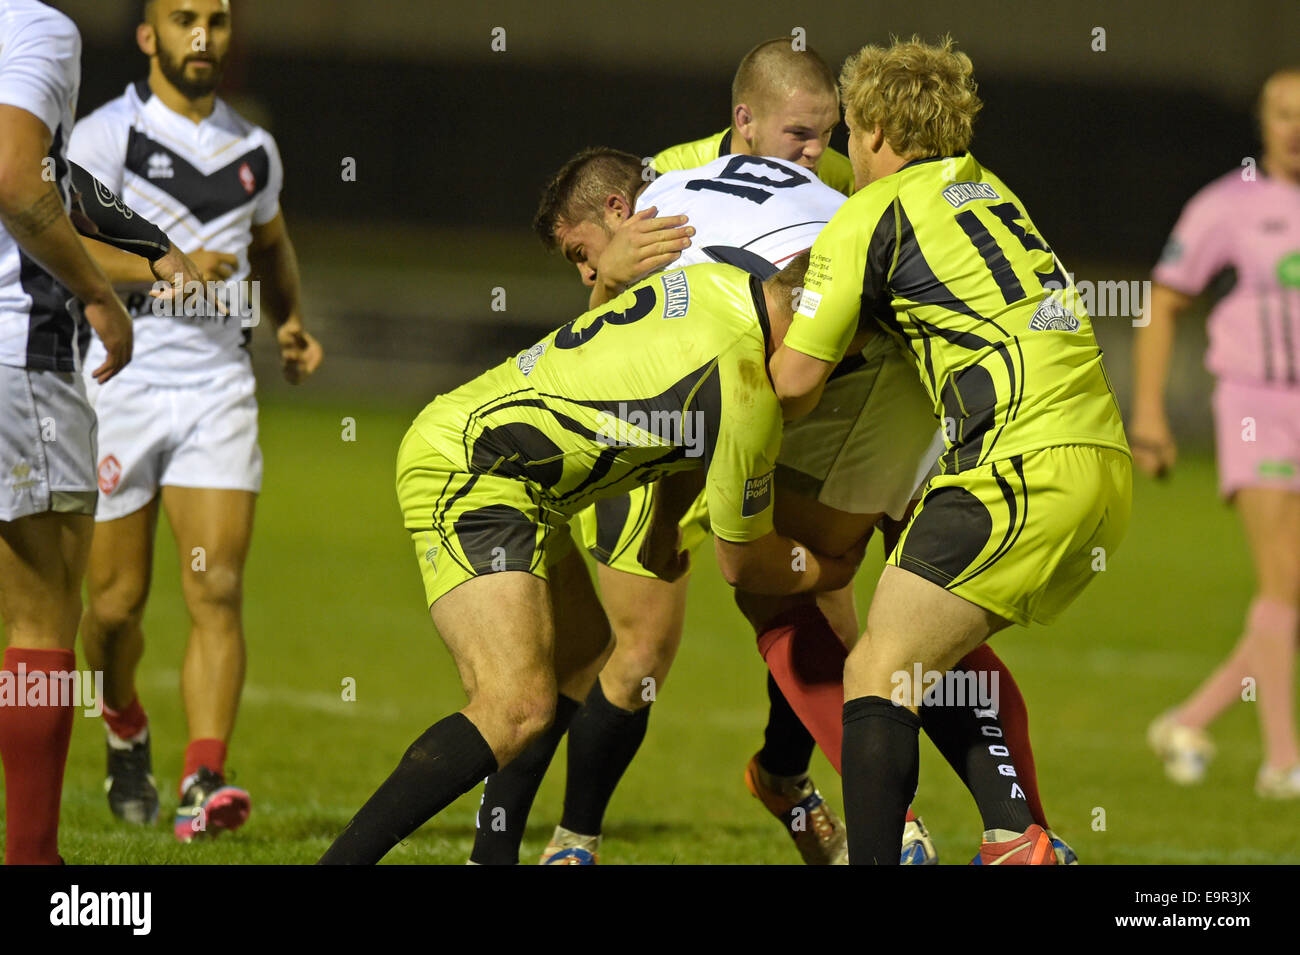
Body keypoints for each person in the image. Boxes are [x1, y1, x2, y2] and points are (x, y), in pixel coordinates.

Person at [319, 257, 868, 864]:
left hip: (515, 467)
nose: (831, 374)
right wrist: (830, 568)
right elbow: (744, 563)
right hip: (475, 469)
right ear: (815, 329)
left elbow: (685, 418)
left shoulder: (719, 280)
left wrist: (662, 521)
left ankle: (490, 857)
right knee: (514, 708)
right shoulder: (747, 394)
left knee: (580, 651)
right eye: (840, 355)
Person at [770, 35, 1131, 864]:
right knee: (929, 653)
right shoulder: (991, 191)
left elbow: (792, 382)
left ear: (870, 129)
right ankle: (1015, 840)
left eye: (848, 135)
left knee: (878, 672)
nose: (844, 155)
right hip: (1098, 469)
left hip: (1020, 468)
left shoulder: (869, 214)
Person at [69, 0, 322, 841]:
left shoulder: (254, 150)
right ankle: (124, 721)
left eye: (215, 18)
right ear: (149, 38)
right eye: (183, 19)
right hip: (121, 384)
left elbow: (272, 245)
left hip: (217, 385)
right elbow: (59, 243)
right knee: (112, 606)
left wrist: (288, 319)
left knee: (215, 585)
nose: (203, 34)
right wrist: (160, 266)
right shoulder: (108, 137)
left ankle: (202, 777)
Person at [0, 0, 202, 864]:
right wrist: (95, 290)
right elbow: (17, 178)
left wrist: (147, 241)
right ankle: (36, 867)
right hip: (18, 357)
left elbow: (46, 170)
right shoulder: (36, 26)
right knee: (41, 620)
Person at [1136, 67, 1300, 798]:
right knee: (1282, 581)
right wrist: (1148, 413)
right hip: (1255, 407)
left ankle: (1187, 719)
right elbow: (1164, 301)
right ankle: (1282, 761)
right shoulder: (1227, 206)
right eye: (1283, 114)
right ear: (1263, 124)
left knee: (1290, 592)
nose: (1295, 128)